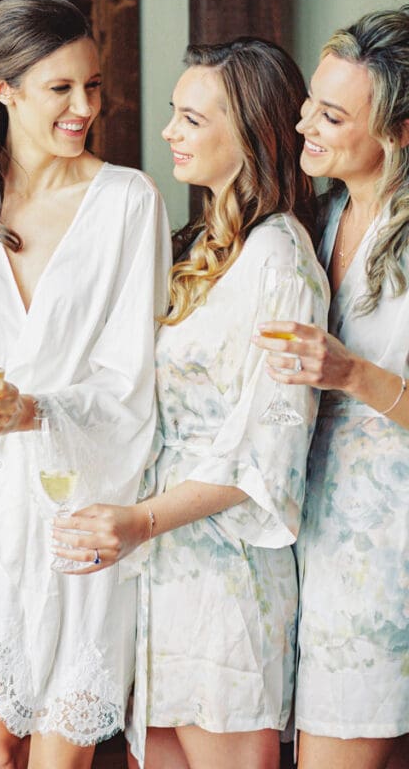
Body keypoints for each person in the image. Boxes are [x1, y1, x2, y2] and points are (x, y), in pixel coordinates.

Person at [0, 0, 171, 769]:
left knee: (64, 750)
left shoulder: (127, 202)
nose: (85, 107)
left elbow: (132, 379)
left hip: (75, 509)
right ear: (1, 87)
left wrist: (35, 410)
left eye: (92, 85)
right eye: (61, 89)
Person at [52, 38, 330, 769]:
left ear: (251, 134)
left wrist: (139, 521)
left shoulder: (279, 259)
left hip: (226, 574)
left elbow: (266, 454)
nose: (169, 132)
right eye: (174, 114)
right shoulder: (201, 245)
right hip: (162, 566)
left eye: (191, 119)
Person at [254, 6, 409, 769]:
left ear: (401, 132)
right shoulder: (321, 221)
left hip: (388, 556)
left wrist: (352, 373)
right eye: (311, 101)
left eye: (334, 113)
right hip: (315, 537)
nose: (305, 122)